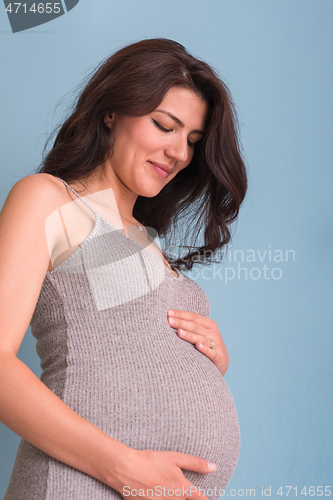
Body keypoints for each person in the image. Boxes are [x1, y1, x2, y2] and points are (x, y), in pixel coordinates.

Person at [0, 38, 247, 500]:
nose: (179, 153)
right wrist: (126, 468)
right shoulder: (49, 199)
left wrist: (210, 359)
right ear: (112, 111)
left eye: (192, 141)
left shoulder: (146, 238)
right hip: (82, 483)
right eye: (164, 126)